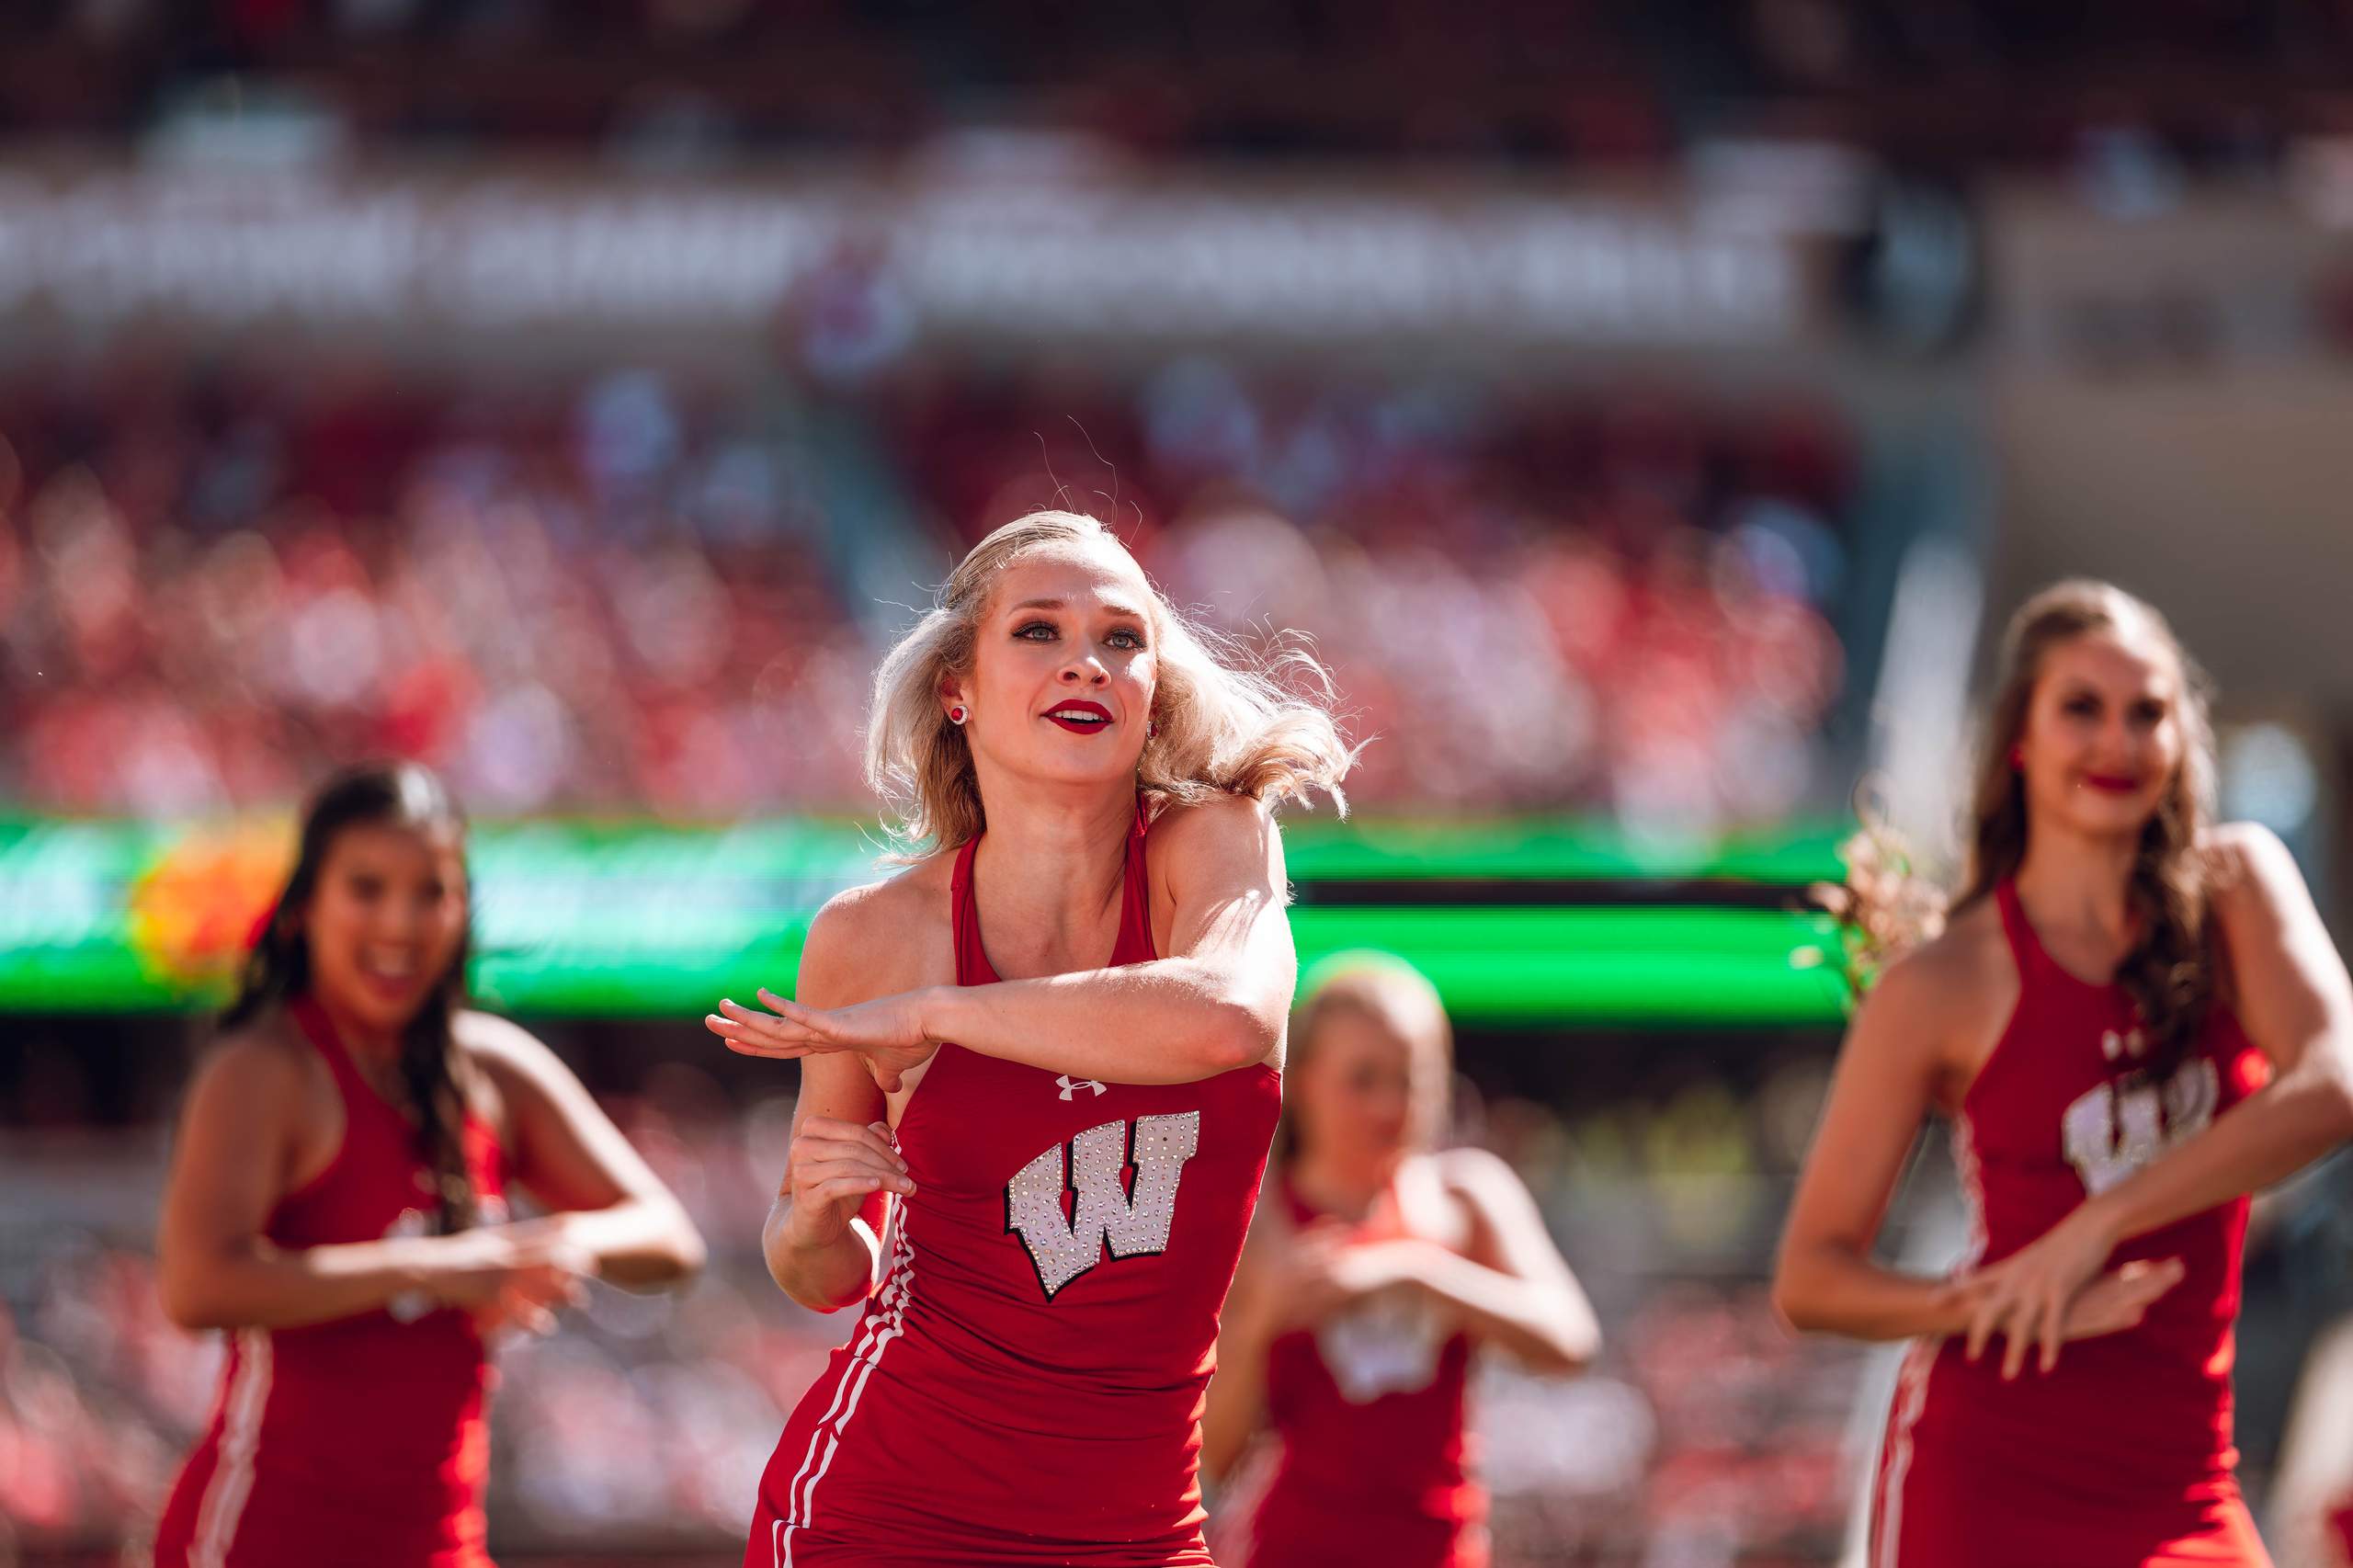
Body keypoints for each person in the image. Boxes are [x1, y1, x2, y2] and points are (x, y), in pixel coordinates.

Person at [704, 509, 1355, 1567]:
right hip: (888, 1510)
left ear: (1154, 692)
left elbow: (1230, 1017)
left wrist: (938, 1014)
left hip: (1136, 1528)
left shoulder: (1217, 846)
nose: (1086, 664)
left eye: (1121, 638)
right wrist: (818, 1211)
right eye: (1039, 632)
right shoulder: (874, 936)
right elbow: (825, 1269)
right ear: (956, 687)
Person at [1772, 580, 2353, 1568]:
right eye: (2080, 707)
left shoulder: (2236, 890)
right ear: (2019, 739)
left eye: (2147, 712)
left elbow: (2332, 1085)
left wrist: (2100, 1219)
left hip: (2182, 1476)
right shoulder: (1943, 978)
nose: (2116, 742)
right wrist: (1985, 1298)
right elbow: (1810, 1276)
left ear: (2181, 741)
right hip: (1988, 1466)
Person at [150, 762, 707, 1568]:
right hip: (268, 1536)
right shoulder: (267, 1068)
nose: (401, 925)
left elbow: (668, 1239)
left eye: (431, 892)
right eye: (367, 889)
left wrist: (555, 1248)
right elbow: (198, 1286)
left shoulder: (491, 1067)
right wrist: (438, 1268)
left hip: (442, 1542)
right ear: (306, 908)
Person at [1198, 955, 1598, 1568]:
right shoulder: (1259, 1222)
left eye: (1411, 1079)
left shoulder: (1466, 1197)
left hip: (1441, 1548)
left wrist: (1416, 1269)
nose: (1390, 1105)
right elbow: (1212, 1460)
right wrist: (1261, 1322)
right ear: (1303, 1081)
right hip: (1292, 1549)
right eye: (1363, 1079)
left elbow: (1571, 1342)